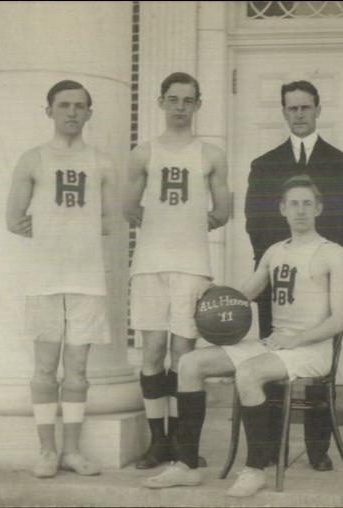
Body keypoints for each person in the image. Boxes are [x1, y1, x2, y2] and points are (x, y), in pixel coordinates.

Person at [143, 175, 343, 497]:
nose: (300, 211)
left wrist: (298, 339)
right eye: (293, 204)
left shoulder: (332, 253)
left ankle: (254, 470)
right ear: (282, 209)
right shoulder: (274, 252)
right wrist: (212, 292)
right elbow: (243, 296)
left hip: (311, 349)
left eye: (307, 203)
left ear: (319, 209)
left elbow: (338, 320)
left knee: (250, 372)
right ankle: (186, 465)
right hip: (276, 344)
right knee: (189, 364)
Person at [244, 80, 343, 471]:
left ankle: (317, 448)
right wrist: (281, 267)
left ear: (317, 110)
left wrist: (320, 270)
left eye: (306, 108)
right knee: (273, 358)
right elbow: (255, 225)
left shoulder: (342, 164)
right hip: (276, 281)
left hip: (323, 281)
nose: (299, 114)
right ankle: (272, 445)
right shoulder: (264, 165)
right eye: (292, 108)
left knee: (317, 365)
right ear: (283, 112)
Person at [6, 80, 116, 478]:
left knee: (78, 368)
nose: (72, 112)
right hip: (45, 278)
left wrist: (73, 233)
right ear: (48, 110)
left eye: (79, 106)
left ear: (89, 113)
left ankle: (72, 450)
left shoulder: (102, 162)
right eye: (64, 105)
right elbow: (13, 219)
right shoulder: (32, 159)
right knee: (44, 366)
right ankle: (46, 451)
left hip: (87, 278)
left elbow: (107, 222)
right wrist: (53, 234)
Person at [123, 72, 229, 469]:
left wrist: (187, 226)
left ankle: (185, 445)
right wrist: (162, 226)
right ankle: (158, 441)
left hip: (192, 266)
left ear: (198, 104)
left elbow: (222, 210)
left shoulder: (211, 154)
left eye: (188, 100)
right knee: (152, 351)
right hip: (150, 264)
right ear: (161, 102)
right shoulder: (144, 152)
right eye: (173, 99)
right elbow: (128, 207)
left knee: (184, 357)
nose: (180, 107)